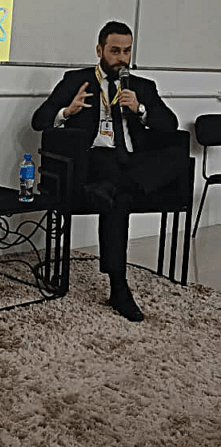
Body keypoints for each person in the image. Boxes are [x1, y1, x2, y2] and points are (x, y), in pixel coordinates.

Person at [32, 21, 185, 322]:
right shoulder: (76, 81)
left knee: (177, 157)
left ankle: (114, 187)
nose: (121, 58)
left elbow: (171, 125)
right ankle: (119, 288)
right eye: (115, 51)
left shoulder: (142, 87)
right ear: (99, 50)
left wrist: (140, 110)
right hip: (94, 160)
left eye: (127, 51)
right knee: (120, 197)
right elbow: (39, 120)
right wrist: (67, 112)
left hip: (129, 161)